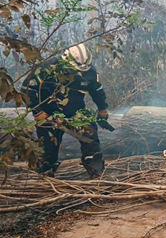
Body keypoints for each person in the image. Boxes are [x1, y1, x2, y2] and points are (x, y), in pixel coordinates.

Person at [23, 43, 109, 177]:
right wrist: (37, 111)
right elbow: (27, 89)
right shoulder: (47, 69)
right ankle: (46, 178)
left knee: (91, 140)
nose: (79, 72)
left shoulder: (89, 71)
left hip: (76, 112)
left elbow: (97, 90)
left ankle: (96, 175)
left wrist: (102, 108)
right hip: (48, 115)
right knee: (47, 154)